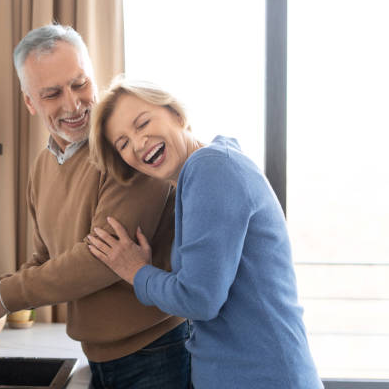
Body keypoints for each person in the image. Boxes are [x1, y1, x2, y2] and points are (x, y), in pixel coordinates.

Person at [0, 25, 191, 389]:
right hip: (100, 355)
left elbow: (98, 259)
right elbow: (44, 261)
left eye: (79, 84)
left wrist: (0, 297)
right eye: (52, 93)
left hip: (158, 352)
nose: (72, 104)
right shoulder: (43, 165)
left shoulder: (127, 151)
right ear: (29, 102)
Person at [86, 78, 322, 388]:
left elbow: (199, 300)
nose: (139, 143)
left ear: (176, 114)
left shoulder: (209, 168)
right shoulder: (210, 169)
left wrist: (137, 272)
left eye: (143, 123)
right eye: (124, 143)